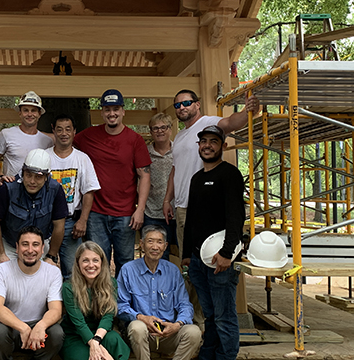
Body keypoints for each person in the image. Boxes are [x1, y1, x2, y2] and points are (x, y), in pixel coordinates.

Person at [181, 125, 245, 360]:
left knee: (225, 318)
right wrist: (186, 252)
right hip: (198, 259)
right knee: (210, 318)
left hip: (220, 260)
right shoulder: (197, 178)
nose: (207, 145)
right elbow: (192, 218)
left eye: (213, 141)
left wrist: (228, 253)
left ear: (222, 145)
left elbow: (236, 217)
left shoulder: (230, 175)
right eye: (203, 141)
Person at [163, 89, 259, 259]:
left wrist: (247, 111)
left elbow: (231, 122)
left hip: (206, 205)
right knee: (190, 263)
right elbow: (175, 170)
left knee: (211, 258)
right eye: (177, 105)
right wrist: (167, 200)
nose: (182, 108)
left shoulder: (207, 123)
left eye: (186, 103)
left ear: (197, 104)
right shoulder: (178, 137)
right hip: (183, 207)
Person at [117, 225, 202, 360]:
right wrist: (142, 317)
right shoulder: (128, 270)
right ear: (141, 244)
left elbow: (185, 305)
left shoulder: (173, 271)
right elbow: (120, 305)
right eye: (150, 241)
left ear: (165, 246)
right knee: (137, 327)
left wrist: (177, 325)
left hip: (168, 333)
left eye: (159, 242)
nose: (155, 246)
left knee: (193, 332)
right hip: (143, 334)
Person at [73, 89, 151, 274]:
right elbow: (63, 140)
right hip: (95, 212)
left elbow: (145, 175)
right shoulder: (87, 136)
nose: (112, 113)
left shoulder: (135, 140)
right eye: (107, 109)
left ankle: (122, 302)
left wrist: (140, 209)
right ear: (101, 112)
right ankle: (101, 301)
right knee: (98, 261)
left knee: (125, 262)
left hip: (125, 214)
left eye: (116, 109)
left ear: (123, 111)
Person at [0, 226, 65, 360]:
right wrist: (22, 327)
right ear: (17, 247)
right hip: (10, 327)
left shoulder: (52, 272)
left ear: (42, 248)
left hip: (38, 327)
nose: (30, 250)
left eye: (35, 245)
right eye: (25, 244)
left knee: (57, 333)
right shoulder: (2, 270)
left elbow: (56, 310)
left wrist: (40, 326)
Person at [60, 241, 130, 360]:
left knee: (114, 338)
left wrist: (97, 342)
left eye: (95, 260)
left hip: (100, 333)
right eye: (85, 260)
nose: (90, 265)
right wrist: (100, 349)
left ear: (102, 263)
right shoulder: (69, 287)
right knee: (92, 358)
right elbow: (79, 323)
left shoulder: (111, 283)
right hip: (75, 336)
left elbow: (108, 316)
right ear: (78, 263)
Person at [0, 148, 68, 265]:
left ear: (46, 177)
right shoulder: (8, 188)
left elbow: (59, 226)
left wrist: (51, 255)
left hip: (41, 243)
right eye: (28, 175)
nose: (32, 181)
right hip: (10, 244)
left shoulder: (56, 190)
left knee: (47, 275)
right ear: (22, 172)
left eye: (38, 177)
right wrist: (1, 254)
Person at [46, 114, 101, 278]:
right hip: (45, 222)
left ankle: (71, 303)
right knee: (42, 269)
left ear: (74, 132)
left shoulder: (82, 159)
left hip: (70, 223)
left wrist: (82, 220)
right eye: (59, 129)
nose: (64, 133)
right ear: (53, 131)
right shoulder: (44, 157)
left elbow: (88, 192)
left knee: (72, 271)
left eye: (68, 129)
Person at [0, 91, 53, 177]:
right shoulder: (6, 134)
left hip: (38, 187)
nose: (29, 114)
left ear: (39, 114)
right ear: (20, 113)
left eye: (33, 111)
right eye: (26, 110)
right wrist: (1, 176)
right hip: (12, 187)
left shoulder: (47, 141)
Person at [142, 112, 176, 263]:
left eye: (164, 127)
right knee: (156, 254)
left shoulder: (179, 151)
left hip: (177, 211)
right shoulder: (144, 153)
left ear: (170, 129)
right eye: (155, 128)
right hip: (152, 213)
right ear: (150, 131)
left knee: (184, 252)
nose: (160, 131)